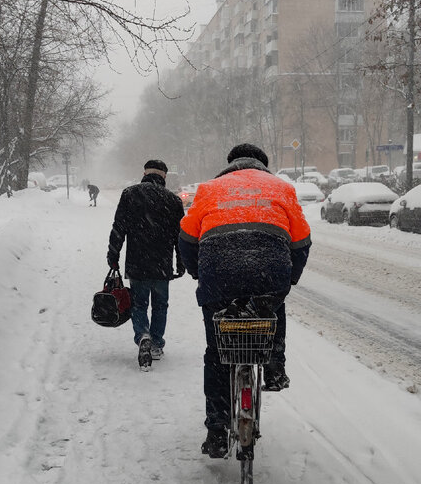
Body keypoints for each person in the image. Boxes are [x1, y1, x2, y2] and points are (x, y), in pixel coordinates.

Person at [178, 143, 311, 458]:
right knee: (273, 307)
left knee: (216, 352)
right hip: (270, 270)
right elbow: (302, 241)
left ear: (230, 165)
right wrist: (289, 277)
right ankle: (275, 366)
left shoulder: (209, 190)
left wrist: (199, 273)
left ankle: (217, 429)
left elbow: (186, 237)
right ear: (263, 165)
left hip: (219, 274)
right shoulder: (282, 189)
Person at [107, 159, 185, 370]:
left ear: (144, 173)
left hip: (137, 262)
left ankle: (142, 336)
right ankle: (157, 344)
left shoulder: (130, 194)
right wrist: (181, 261)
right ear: (164, 176)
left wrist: (113, 255)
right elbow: (180, 236)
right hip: (162, 264)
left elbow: (118, 228)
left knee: (139, 304)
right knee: (160, 305)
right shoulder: (173, 200)